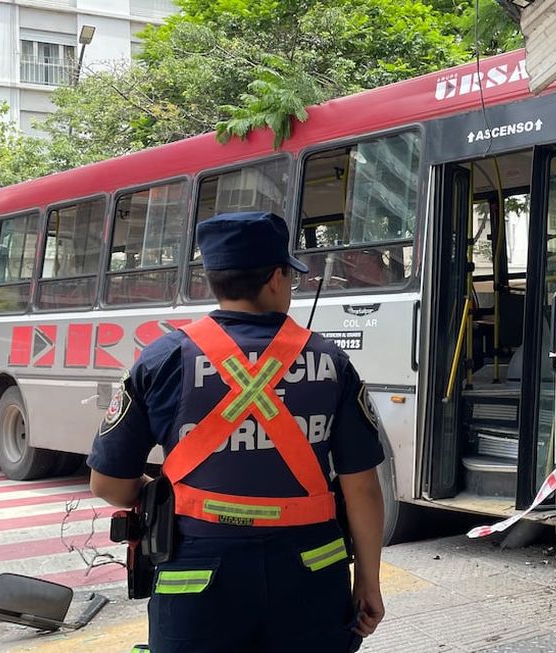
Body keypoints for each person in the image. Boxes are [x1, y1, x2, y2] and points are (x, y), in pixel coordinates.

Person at [88, 212, 386, 652]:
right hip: (313, 577)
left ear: (215, 279)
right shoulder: (331, 362)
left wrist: (163, 492)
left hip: (196, 584)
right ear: (275, 279)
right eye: (290, 275)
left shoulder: (162, 359)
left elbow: (109, 485)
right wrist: (368, 581)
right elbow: (362, 488)